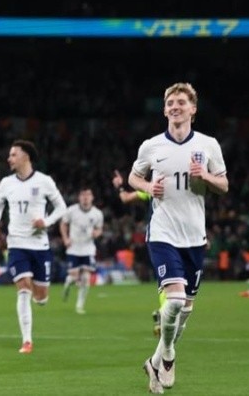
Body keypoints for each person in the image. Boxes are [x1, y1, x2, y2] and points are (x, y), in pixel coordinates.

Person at [128, 83, 228, 394]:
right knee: (173, 300)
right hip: (162, 233)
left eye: (181, 102)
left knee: (184, 310)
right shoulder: (151, 146)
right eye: (170, 102)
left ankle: (154, 360)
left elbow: (223, 185)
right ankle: (169, 356)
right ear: (164, 110)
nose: (175, 106)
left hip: (194, 236)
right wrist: (147, 188)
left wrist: (206, 177)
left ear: (193, 109)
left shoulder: (209, 145)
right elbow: (134, 176)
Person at [0, 139, 67, 354]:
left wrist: (47, 222)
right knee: (23, 287)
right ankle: (27, 341)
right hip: (16, 244)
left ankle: (39, 295)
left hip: (40, 245)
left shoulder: (44, 181)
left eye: (13, 154)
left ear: (25, 157)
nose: (9, 158)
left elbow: (61, 207)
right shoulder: (6, 183)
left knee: (40, 297)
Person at [113, 170, 164, 336]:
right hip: (161, 236)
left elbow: (125, 198)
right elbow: (126, 198)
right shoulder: (153, 189)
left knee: (171, 280)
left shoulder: (152, 188)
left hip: (166, 236)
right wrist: (120, 186)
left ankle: (163, 313)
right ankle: (164, 314)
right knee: (170, 278)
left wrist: (120, 187)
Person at [59, 187, 104, 314]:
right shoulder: (72, 211)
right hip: (74, 248)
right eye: (83, 195)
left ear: (92, 197)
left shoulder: (97, 213)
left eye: (88, 195)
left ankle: (79, 305)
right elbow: (63, 224)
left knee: (85, 278)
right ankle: (68, 283)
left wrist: (97, 233)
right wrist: (65, 238)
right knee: (74, 276)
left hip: (88, 248)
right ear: (79, 197)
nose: (85, 197)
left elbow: (99, 229)